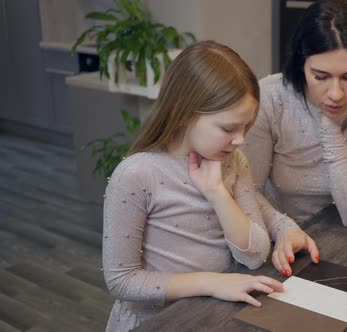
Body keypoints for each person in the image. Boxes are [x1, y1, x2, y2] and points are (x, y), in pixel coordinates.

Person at [102, 41, 283, 331]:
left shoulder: (234, 162)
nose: (240, 140)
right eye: (228, 128)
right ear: (184, 113)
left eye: (246, 127)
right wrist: (211, 282)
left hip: (211, 316)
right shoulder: (136, 175)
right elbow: (122, 281)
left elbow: (256, 255)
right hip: (156, 323)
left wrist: (217, 194)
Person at [241, 0, 347, 277]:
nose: (336, 93)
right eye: (320, 76)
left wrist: (330, 128)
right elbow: (247, 191)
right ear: (302, 64)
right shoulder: (271, 97)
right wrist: (285, 229)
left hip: (345, 241)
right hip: (279, 240)